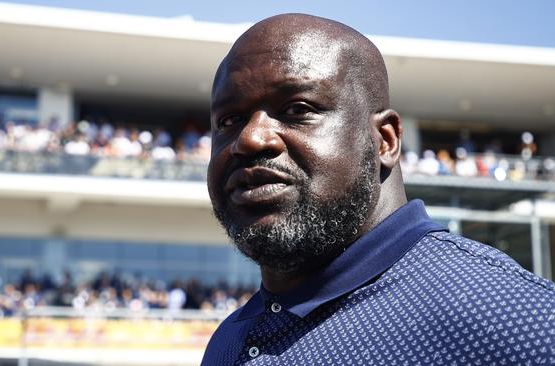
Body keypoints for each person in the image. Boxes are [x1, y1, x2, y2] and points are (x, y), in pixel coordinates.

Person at [202, 14, 554, 365]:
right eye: (230, 121)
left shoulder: (514, 320)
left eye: (297, 109)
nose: (250, 139)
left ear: (385, 141)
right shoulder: (227, 341)